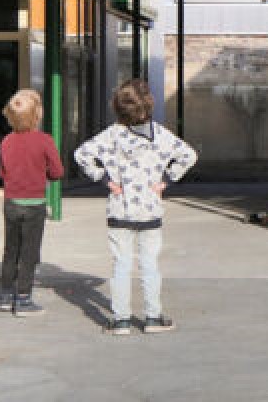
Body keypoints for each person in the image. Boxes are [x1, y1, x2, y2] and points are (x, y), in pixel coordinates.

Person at [74, 78, 199, 335]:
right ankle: (152, 317)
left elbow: (82, 154)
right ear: (149, 104)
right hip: (150, 210)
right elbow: (189, 155)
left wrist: (105, 179)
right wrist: (166, 180)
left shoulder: (110, 135)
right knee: (150, 264)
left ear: (117, 107)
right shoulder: (161, 136)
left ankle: (121, 320)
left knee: (121, 264)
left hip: (120, 208)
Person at [0, 88, 63, 315]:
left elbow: (2, 172)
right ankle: (24, 299)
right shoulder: (45, 140)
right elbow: (57, 172)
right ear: (38, 116)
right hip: (34, 204)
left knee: (10, 250)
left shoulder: (6, 142)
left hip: (11, 202)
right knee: (29, 253)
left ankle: (6, 296)